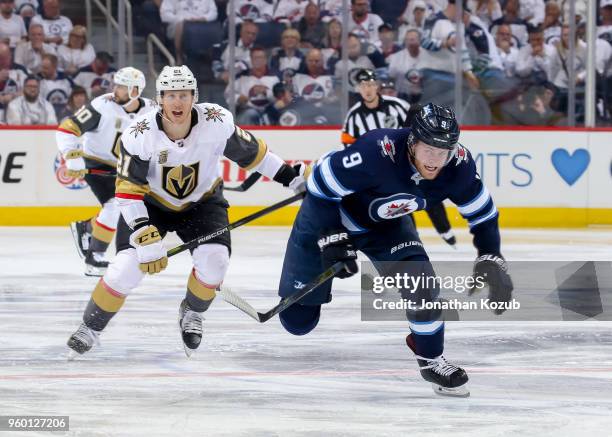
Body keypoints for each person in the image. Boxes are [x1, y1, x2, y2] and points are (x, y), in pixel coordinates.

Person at [66, 65, 307, 357]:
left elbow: (257, 156)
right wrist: (143, 232)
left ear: (194, 97)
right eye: (170, 95)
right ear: (160, 99)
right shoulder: (140, 134)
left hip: (203, 203)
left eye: (183, 95)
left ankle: (192, 312)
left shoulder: (216, 122)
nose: (177, 102)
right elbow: (127, 192)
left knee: (215, 261)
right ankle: (90, 327)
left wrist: (292, 179)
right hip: (150, 205)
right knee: (125, 269)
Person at [276, 103, 513, 396]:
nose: (435, 161)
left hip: (386, 225)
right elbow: (322, 188)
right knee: (298, 322)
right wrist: (332, 237)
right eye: (429, 150)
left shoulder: (458, 166)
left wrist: (492, 256)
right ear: (413, 142)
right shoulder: (376, 151)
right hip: (331, 216)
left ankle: (430, 359)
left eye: (444, 152)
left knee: (422, 285)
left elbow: (483, 214)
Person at [56, 67, 156, 276]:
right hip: (97, 162)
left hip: (125, 166)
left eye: (121, 86)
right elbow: (67, 129)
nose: (115, 90)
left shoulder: (152, 111)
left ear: (135, 91)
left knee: (124, 207)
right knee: (114, 205)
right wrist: (72, 157)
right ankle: (95, 258)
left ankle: (87, 228)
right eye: (116, 84)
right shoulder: (102, 105)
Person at [342, 69, 456, 246]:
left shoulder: (397, 105)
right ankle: (412, 239)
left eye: (371, 84)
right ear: (358, 89)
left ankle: (446, 231)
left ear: (377, 86)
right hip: (382, 173)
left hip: (409, 162)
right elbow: (349, 148)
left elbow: (418, 124)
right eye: (363, 85)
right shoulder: (353, 117)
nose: (368, 89)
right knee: (400, 203)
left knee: (428, 193)